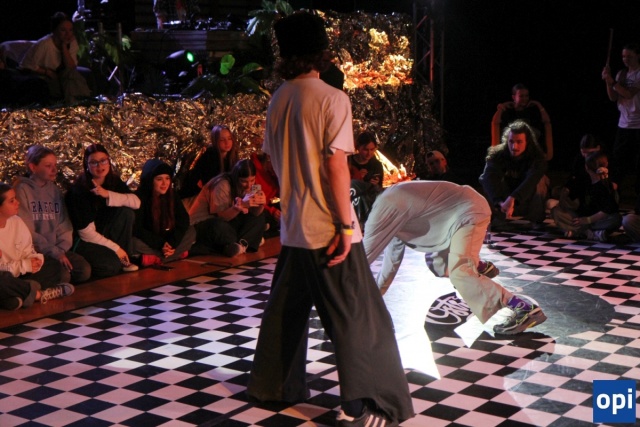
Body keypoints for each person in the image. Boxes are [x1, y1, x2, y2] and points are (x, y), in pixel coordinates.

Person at [246, 12, 414, 427]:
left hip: (294, 226)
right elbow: (336, 166)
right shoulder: (332, 98)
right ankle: (366, 406)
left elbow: (273, 162)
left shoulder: (279, 98)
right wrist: (345, 225)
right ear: (320, 52)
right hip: (327, 228)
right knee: (361, 318)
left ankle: (274, 387)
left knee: (286, 311)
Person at [363, 180, 547, 335]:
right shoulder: (389, 207)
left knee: (461, 273)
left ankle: (524, 308)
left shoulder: (385, 207)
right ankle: (478, 266)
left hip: (469, 210)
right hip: (451, 218)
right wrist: (374, 299)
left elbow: (361, 260)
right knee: (438, 265)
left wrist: (355, 306)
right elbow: (391, 262)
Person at [14, 145, 91, 284]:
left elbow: (64, 224)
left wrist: (60, 250)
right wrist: (53, 252)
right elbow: (27, 231)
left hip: (57, 249)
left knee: (83, 270)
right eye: (48, 166)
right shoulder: (22, 190)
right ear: (33, 167)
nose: (54, 170)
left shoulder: (55, 191)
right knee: (63, 275)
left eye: (55, 165)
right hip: (37, 251)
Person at [65, 144, 140, 278]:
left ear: (109, 161)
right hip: (85, 240)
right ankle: (117, 258)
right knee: (110, 266)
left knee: (126, 213)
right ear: (87, 165)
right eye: (94, 162)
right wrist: (117, 249)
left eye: (103, 161)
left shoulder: (113, 181)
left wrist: (107, 194)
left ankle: (124, 259)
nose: (100, 166)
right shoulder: (79, 190)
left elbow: (136, 203)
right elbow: (86, 234)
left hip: (107, 233)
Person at [0, 183, 75, 306]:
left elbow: (28, 249)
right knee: (3, 280)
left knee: (58, 269)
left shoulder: (17, 221)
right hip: (9, 274)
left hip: (21, 273)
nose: (17, 203)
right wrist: (25, 265)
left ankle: (16, 295)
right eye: (11, 201)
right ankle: (37, 294)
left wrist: (35, 260)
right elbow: (2, 269)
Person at [189, 159, 266, 257]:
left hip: (229, 222)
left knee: (260, 217)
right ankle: (247, 241)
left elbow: (255, 214)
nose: (249, 185)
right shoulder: (222, 184)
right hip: (204, 224)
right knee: (220, 227)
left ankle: (239, 245)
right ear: (236, 177)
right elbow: (222, 217)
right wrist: (241, 205)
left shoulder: (251, 186)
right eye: (244, 181)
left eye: (252, 180)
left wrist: (260, 204)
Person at [479, 120, 549, 226]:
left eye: (519, 142)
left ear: (527, 142)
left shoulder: (537, 158)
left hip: (525, 200)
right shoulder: (497, 155)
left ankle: (536, 220)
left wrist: (513, 198)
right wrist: (499, 202)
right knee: (485, 178)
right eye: (511, 142)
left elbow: (531, 180)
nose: (514, 147)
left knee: (541, 180)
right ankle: (498, 217)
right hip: (504, 201)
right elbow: (489, 177)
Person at [133, 159, 196, 267]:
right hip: (152, 241)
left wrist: (172, 244)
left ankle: (156, 258)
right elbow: (137, 229)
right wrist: (161, 244)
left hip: (168, 239)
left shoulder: (172, 195)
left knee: (191, 231)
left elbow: (183, 220)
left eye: (167, 178)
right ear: (150, 181)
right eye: (159, 179)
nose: (164, 183)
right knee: (133, 243)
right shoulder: (139, 197)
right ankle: (174, 255)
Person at [19, 12, 91, 104]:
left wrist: (64, 47)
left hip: (62, 74)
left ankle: (82, 102)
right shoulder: (45, 44)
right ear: (55, 31)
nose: (68, 34)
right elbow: (25, 64)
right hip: (44, 75)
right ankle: (79, 103)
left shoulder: (72, 42)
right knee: (68, 81)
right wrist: (47, 72)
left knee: (73, 75)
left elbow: (71, 67)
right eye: (63, 30)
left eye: (70, 30)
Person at [602, 43, 640, 212]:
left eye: (629, 56)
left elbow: (629, 93)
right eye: (624, 56)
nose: (625, 59)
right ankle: (614, 195)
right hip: (624, 124)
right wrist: (608, 81)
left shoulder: (639, 74)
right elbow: (613, 97)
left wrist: (612, 81)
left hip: (638, 125)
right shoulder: (621, 74)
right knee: (618, 162)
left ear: (638, 56)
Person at [551, 151, 621, 242]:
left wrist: (588, 220)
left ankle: (583, 232)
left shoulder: (606, 185)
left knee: (616, 219)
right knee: (556, 211)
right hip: (583, 218)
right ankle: (591, 233)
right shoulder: (584, 180)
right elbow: (572, 193)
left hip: (597, 220)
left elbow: (608, 210)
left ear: (586, 167)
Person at [179, 125, 239, 207]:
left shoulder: (233, 157)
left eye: (229, 138)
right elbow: (205, 185)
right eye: (222, 140)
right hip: (200, 196)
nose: (227, 142)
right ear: (215, 141)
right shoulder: (209, 158)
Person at [491, 83, 553, 161]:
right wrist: (501, 108)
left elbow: (546, 122)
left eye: (526, 96)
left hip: (528, 145)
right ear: (514, 97)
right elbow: (496, 124)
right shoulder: (508, 111)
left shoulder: (532, 111)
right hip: (512, 144)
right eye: (521, 96)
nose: (525, 99)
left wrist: (539, 105)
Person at [250, 147, 281, 234]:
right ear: (269, 157)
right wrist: (272, 211)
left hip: (272, 203)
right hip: (259, 207)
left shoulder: (274, 173)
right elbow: (256, 199)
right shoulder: (254, 170)